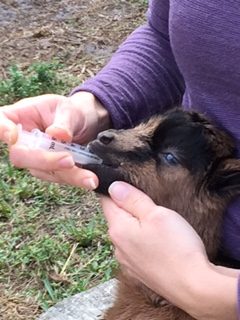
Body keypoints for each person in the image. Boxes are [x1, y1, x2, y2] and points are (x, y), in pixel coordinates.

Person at [0, 0, 239, 319]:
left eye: (168, 157)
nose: (112, 138)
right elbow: (166, 36)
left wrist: (211, 292)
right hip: (162, 274)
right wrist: (97, 106)